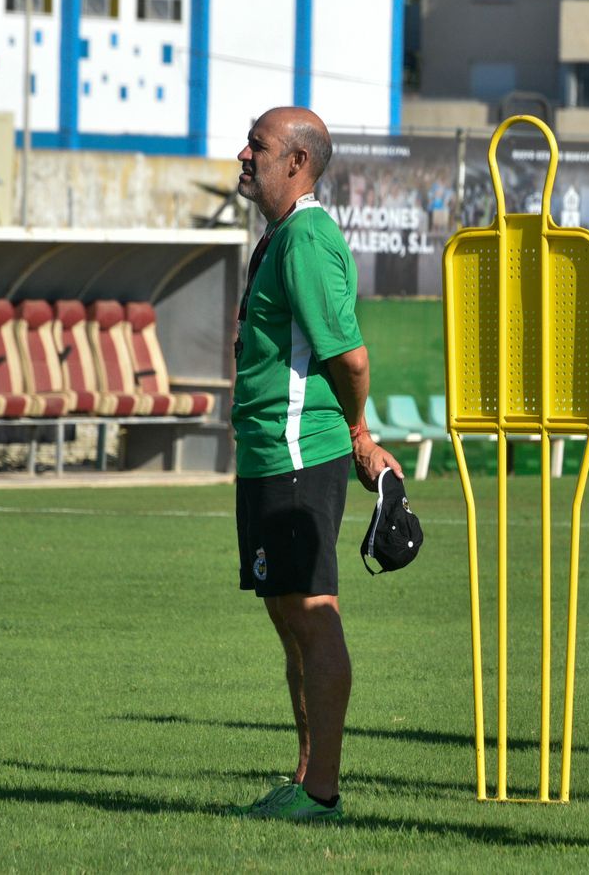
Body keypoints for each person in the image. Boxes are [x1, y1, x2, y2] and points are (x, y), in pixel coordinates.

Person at [225, 106, 402, 823]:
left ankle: (322, 792)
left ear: (296, 162)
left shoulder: (306, 239)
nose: (244, 153)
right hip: (271, 451)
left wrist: (359, 430)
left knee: (312, 612)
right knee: (288, 615)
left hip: (300, 453)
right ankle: (304, 779)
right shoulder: (283, 236)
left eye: (258, 146)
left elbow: (350, 357)